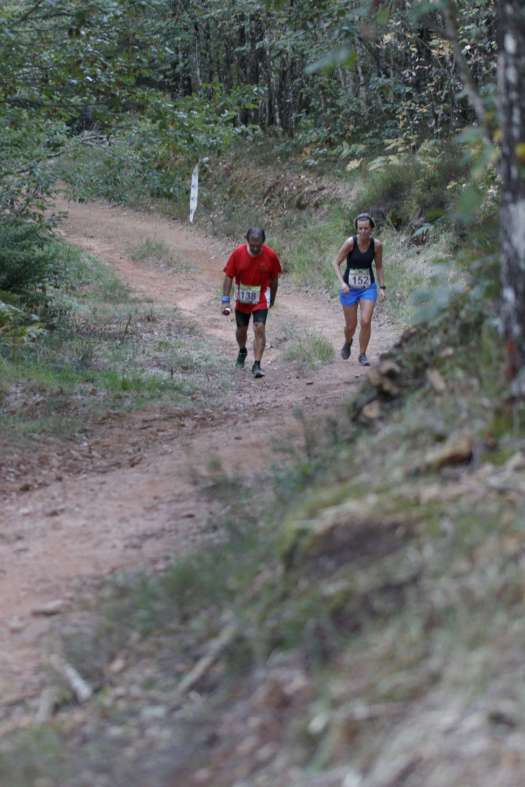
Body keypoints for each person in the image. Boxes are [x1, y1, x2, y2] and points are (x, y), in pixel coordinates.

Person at [222, 227, 282, 378]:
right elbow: (229, 276)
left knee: (259, 328)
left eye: (258, 245)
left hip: (260, 297)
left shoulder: (271, 256)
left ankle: (257, 364)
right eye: (252, 244)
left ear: (263, 242)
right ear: (247, 240)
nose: (255, 248)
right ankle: (242, 350)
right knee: (241, 330)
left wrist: (272, 298)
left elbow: (274, 279)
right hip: (242, 298)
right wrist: (225, 300)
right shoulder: (237, 253)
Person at [333, 213, 385, 366]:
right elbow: (335, 263)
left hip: (368, 288)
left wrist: (382, 287)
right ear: (357, 229)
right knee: (351, 326)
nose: (363, 231)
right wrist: (342, 283)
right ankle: (348, 341)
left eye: (366, 228)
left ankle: (362, 354)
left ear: (371, 229)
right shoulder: (350, 243)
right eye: (360, 228)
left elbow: (379, 266)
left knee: (365, 320)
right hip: (349, 289)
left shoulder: (377, 245)